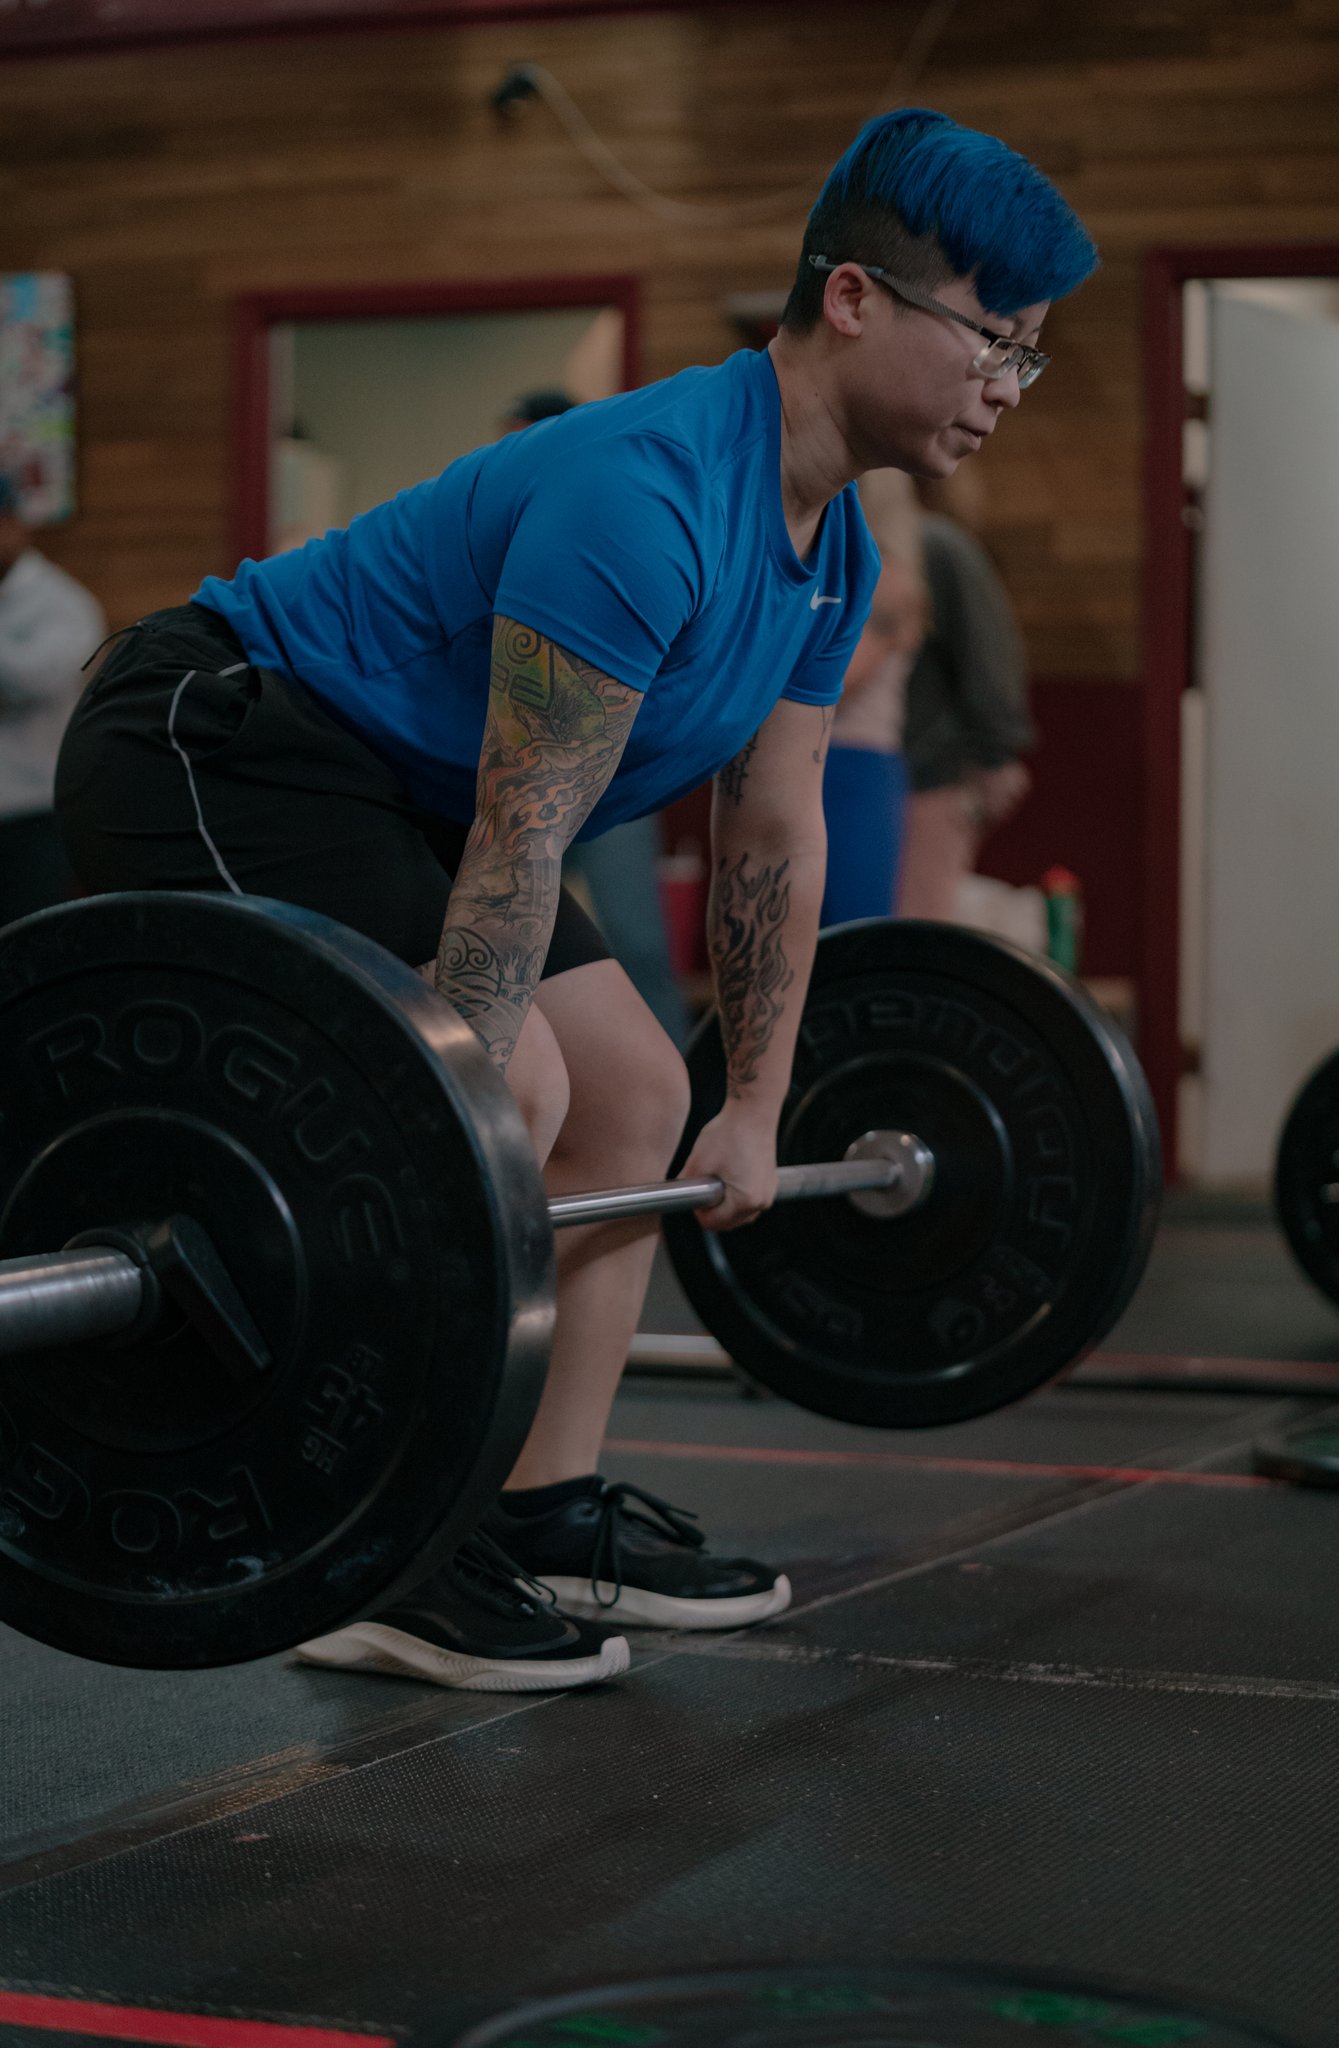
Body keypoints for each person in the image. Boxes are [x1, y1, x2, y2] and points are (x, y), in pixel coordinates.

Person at [54, 107, 1096, 1694]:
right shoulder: (654, 491)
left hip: (406, 790)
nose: (1005, 389)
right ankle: (392, 1552)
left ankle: (538, 1512)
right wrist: (446, 1118)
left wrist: (753, 1107)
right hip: (227, 734)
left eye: (1030, 356)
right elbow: (526, 829)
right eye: (991, 342)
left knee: (634, 1092)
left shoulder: (830, 557)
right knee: (512, 1083)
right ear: (854, 300)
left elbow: (771, 836)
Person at [502, 388, 691, 1046]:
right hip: (522, 763)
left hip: (610, 767)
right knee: (508, 934)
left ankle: (680, 1099)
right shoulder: (502, 519)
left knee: (636, 941)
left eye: (520, 436)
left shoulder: (617, 514)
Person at [896, 503, 1035, 921]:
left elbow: (988, 654)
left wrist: (995, 753)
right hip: (867, 777)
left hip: (928, 779)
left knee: (912, 935)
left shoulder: (935, 547)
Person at [820, 468, 927, 925]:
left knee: (845, 931)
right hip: (824, 758)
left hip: (851, 765)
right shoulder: (840, 564)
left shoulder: (888, 582)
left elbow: (836, 684)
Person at [0, 474, 105, 926]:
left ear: (14, 525)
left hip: (31, 813)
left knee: (21, 944)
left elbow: (37, 680)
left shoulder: (63, 604)